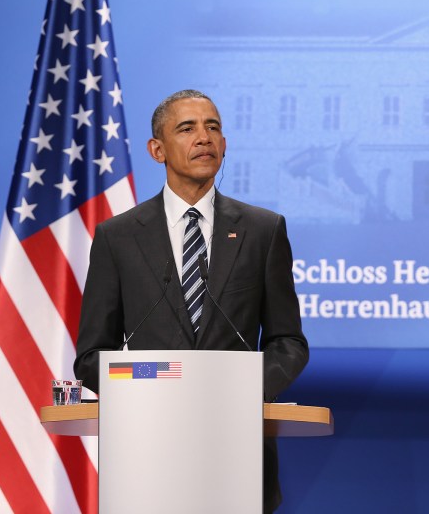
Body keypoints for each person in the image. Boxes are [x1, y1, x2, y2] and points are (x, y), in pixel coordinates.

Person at [74, 89, 309, 513]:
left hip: (237, 453)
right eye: (187, 128)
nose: (204, 138)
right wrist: (158, 385)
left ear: (224, 145)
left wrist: (240, 391)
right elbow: (92, 355)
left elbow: (288, 342)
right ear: (157, 149)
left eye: (213, 128)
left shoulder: (263, 230)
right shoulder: (118, 237)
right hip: (146, 454)